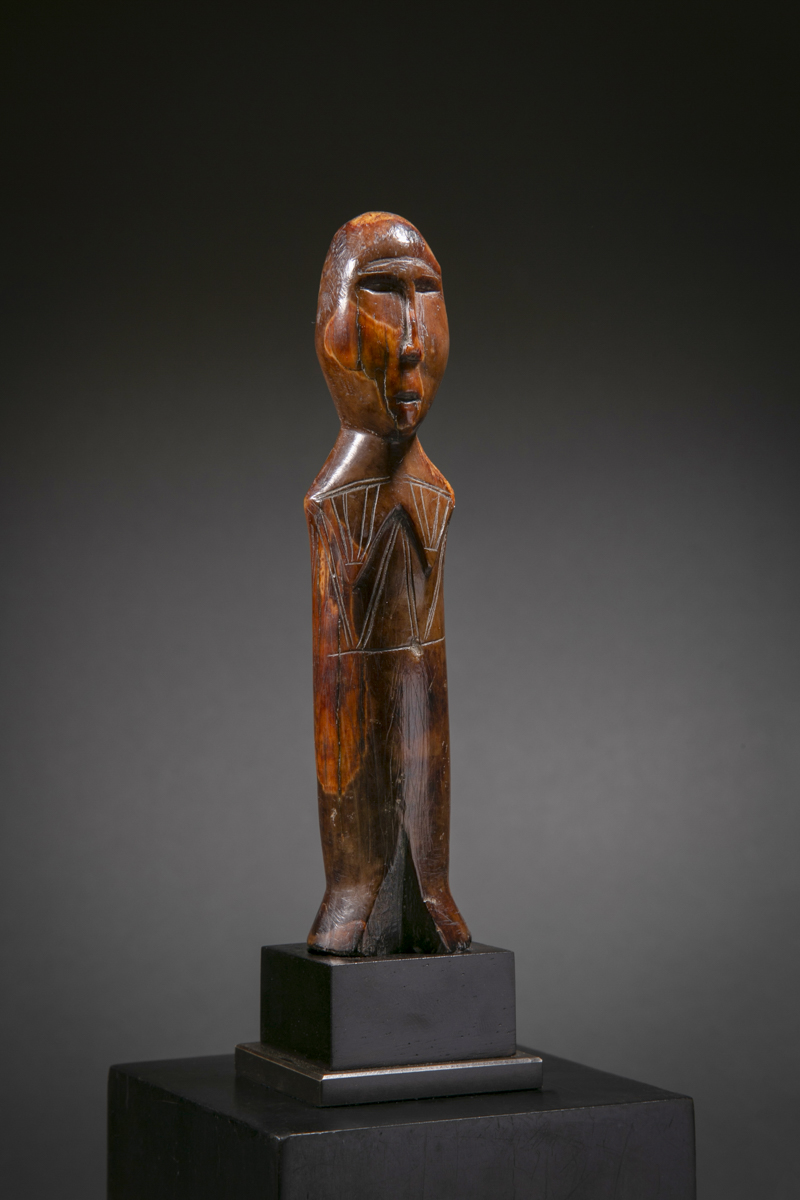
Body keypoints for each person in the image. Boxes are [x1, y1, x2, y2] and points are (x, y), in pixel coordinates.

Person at [306, 212, 471, 956]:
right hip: (354, 697)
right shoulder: (337, 502)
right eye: (381, 292)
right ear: (335, 329)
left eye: (424, 294)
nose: (411, 340)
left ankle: (430, 885)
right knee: (355, 718)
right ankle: (355, 885)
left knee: (424, 714)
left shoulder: (432, 491)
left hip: (422, 684)